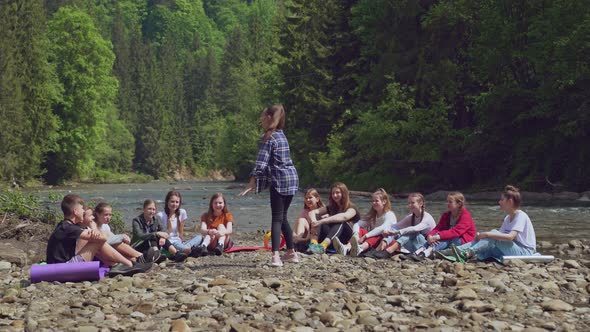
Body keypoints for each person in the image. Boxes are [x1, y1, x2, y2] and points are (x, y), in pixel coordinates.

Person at [238, 104, 300, 267]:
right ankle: (291, 253)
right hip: (292, 178)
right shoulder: (282, 135)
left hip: (280, 180)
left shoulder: (268, 137)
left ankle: (275, 256)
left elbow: (261, 163)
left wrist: (251, 183)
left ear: (270, 118)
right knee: (283, 216)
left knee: (277, 218)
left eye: (263, 116)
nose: (261, 119)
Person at [46, 194, 150, 276]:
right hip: (62, 268)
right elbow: (102, 238)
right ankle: (128, 264)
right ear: (75, 211)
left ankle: (127, 264)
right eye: (82, 209)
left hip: (63, 265)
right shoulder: (68, 228)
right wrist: (93, 226)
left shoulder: (66, 226)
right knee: (97, 242)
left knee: (97, 241)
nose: (83, 212)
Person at [438, 185, 536, 263]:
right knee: (486, 245)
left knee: (491, 234)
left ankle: (467, 253)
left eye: (502, 200)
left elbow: (510, 237)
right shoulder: (507, 218)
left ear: (510, 202)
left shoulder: (521, 216)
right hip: (512, 248)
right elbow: (498, 237)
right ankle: (451, 252)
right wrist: (482, 236)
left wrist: (487, 234)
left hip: (524, 251)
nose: (499, 202)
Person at [333, 188, 397, 257]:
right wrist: (356, 234)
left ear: (384, 202)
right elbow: (358, 223)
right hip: (373, 242)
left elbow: (382, 228)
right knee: (361, 230)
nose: (374, 203)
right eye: (373, 201)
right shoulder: (373, 215)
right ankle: (346, 248)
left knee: (378, 234)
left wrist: (365, 236)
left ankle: (360, 248)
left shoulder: (390, 215)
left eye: (376, 201)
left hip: (388, 242)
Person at [371, 193, 436, 259]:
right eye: (409, 203)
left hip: (428, 249)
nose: (410, 205)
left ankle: (389, 251)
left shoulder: (427, 218)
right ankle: (381, 248)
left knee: (411, 232)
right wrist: (387, 233)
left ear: (420, 204)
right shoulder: (411, 217)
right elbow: (395, 226)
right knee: (396, 230)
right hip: (416, 248)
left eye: (412, 203)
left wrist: (397, 232)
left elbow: (415, 229)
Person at [415, 192, 477, 260]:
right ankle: (420, 251)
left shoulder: (465, 216)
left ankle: (428, 251)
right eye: (447, 201)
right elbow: (438, 228)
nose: (447, 204)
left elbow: (456, 232)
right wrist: (430, 236)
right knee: (439, 234)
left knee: (448, 236)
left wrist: (438, 236)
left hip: (463, 242)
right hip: (450, 240)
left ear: (459, 204)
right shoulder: (446, 215)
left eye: (450, 202)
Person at [307, 182, 360, 254]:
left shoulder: (352, 208)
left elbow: (344, 216)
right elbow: (312, 212)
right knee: (317, 217)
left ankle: (323, 246)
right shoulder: (331, 207)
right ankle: (313, 244)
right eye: (333, 193)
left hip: (346, 238)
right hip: (333, 236)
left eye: (337, 193)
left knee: (339, 220)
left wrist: (322, 221)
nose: (335, 195)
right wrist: (314, 223)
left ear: (344, 193)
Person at [157, 191, 203, 257]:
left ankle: (185, 250)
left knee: (200, 237)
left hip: (179, 242)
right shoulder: (161, 215)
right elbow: (159, 232)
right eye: (172, 201)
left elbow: (181, 230)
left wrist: (182, 239)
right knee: (177, 244)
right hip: (169, 243)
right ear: (167, 202)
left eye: (177, 202)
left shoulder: (182, 212)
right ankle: (189, 251)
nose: (174, 204)